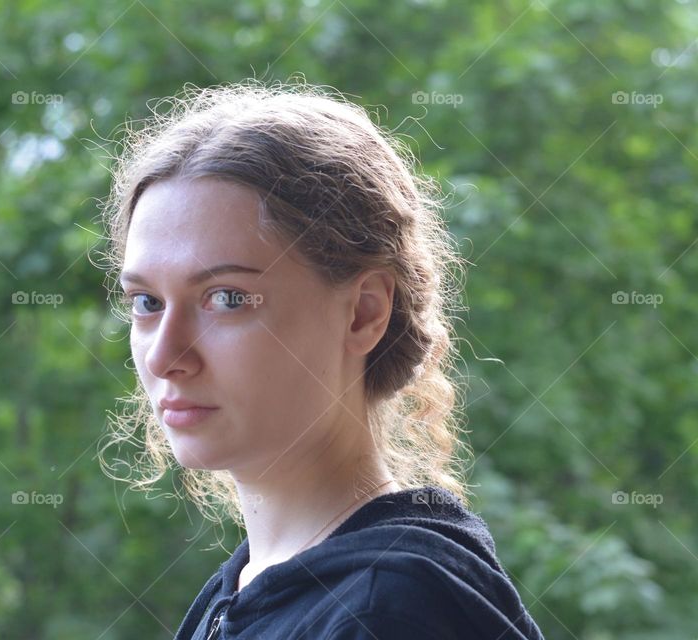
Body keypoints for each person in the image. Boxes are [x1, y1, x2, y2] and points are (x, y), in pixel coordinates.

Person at [98, 80, 545, 639]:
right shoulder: (242, 593)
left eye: (228, 299)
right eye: (147, 303)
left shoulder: (394, 609)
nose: (165, 356)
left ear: (362, 313)